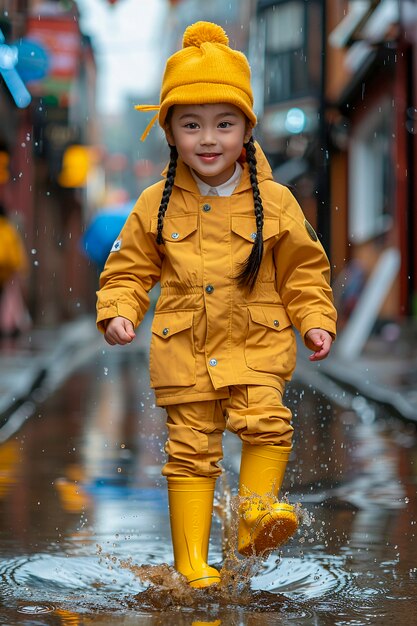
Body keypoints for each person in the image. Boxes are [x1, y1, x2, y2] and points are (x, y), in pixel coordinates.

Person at [96, 21, 337, 589]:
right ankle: (192, 565)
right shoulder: (154, 205)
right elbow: (129, 266)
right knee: (189, 452)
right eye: (191, 124)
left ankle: (255, 515)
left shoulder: (274, 202)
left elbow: (304, 268)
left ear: (246, 129)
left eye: (224, 124)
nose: (209, 139)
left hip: (256, 343)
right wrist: (119, 309)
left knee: (269, 425)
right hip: (184, 349)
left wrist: (315, 320)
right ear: (171, 132)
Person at [0, 203, 29, 338]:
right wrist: (21, 270)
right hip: (7, 272)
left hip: (6, 271)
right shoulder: (8, 228)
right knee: (9, 300)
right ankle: (9, 326)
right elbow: (16, 253)